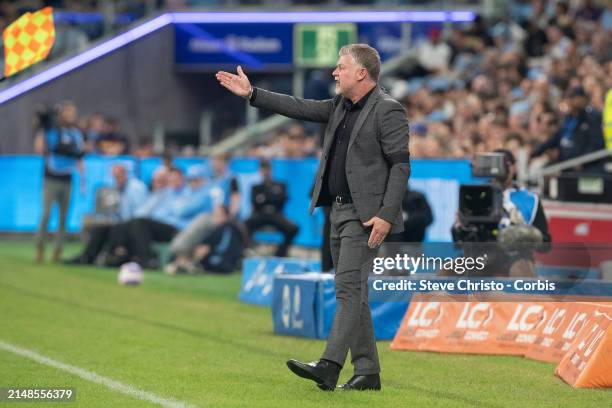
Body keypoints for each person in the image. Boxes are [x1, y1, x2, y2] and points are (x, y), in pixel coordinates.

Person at [216, 43, 410, 391]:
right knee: (355, 293)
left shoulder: (388, 110)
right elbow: (299, 107)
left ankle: (329, 365)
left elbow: (400, 166)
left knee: (347, 288)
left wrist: (386, 215)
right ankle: (368, 371)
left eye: (341, 67)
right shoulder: (340, 105)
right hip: (337, 211)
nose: (335, 73)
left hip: (366, 217)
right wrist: (253, 94)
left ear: (362, 72)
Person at [34, 101, 85, 262]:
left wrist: (83, 179)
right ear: (62, 114)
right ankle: (40, 247)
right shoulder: (52, 131)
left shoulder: (76, 133)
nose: (70, 116)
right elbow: (39, 149)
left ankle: (58, 250)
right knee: (47, 214)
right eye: (68, 112)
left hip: (67, 178)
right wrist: (42, 128)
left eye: (73, 112)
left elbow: (79, 157)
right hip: (51, 177)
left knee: (64, 217)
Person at [67, 163, 148, 264]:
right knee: (100, 228)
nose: (116, 179)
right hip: (123, 222)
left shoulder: (136, 188)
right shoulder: (118, 188)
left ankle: (113, 256)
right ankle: (87, 257)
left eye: (117, 176)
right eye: (114, 177)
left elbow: (141, 212)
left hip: (134, 224)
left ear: (125, 174)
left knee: (118, 228)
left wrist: (123, 222)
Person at [531, 86, 606, 173]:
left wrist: (583, 161)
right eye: (569, 98)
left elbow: (596, 143)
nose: (570, 101)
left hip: (584, 168)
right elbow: (557, 137)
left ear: (582, 99)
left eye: (573, 98)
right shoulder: (568, 118)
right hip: (566, 165)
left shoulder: (591, 117)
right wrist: (536, 152)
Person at [245, 160, 298, 257]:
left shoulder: (281, 185)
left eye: (267, 169)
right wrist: (273, 197)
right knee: (245, 225)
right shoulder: (256, 187)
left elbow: (283, 199)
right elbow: (254, 202)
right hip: (260, 215)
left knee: (293, 228)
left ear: (271, 170)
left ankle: (280, 252)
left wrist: (264, 198)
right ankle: (248, 251)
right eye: (263, 169)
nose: (266, 172)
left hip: (276, 215)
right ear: (260, 171)